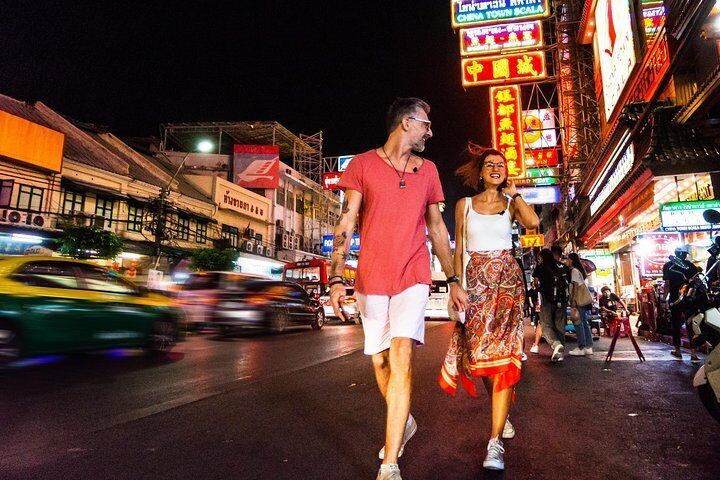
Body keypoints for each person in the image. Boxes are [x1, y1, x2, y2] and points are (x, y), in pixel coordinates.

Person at [329, 97, 467, 480]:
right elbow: (346, 221)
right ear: (406, 122)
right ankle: (403, 420)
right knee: (379, 359)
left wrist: (453, 279)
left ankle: (389, 463)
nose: (430, 130)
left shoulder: (429, 171)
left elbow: (437, 228)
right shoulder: (362, 165)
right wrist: (336, 277)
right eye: (425, 123)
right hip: (371, 276)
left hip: (413, 272)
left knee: (402, 354)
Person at [439, 147, 539, 471]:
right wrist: (455, 284)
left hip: (508, 287)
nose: (496, 169)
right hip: (477, 286)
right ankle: (503, 412)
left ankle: (494, 442)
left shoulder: (511, 205)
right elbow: (459, 248)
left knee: (504, 356)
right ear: (481, 172)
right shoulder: (463, 205)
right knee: (481, 357)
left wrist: (516, 194)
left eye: (501, 165)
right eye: (490, 165)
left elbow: (533, 222)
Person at [662, 245, 700, 362]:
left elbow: (667, 284)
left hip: (675, 300)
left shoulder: (668, 266)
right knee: (691, 325)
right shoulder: (691, 266)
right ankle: (693, 354)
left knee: (676, 325)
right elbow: (696, 281)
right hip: (689, 299)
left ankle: (678, 351)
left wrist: (664, 300)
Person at [532, 247, 570, 362]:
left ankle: (556, 344)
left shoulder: (541, 267)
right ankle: (560, 353)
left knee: (546, 325)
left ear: (542, 257)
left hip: (547, 299)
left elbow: (535, 283)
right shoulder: (563, 266)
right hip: (562, 300)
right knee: (560, 326)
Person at [565, 252, 594, 356]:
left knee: (578, 323)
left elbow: (575, 287)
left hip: (578, 300)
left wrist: (573, 301)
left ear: (571, 260)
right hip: (582, 301)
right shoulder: (579, 270)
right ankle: (588, 346)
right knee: (584, 323)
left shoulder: (574, 271)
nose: (566, 261)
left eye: (567, 259)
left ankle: (581, 346)